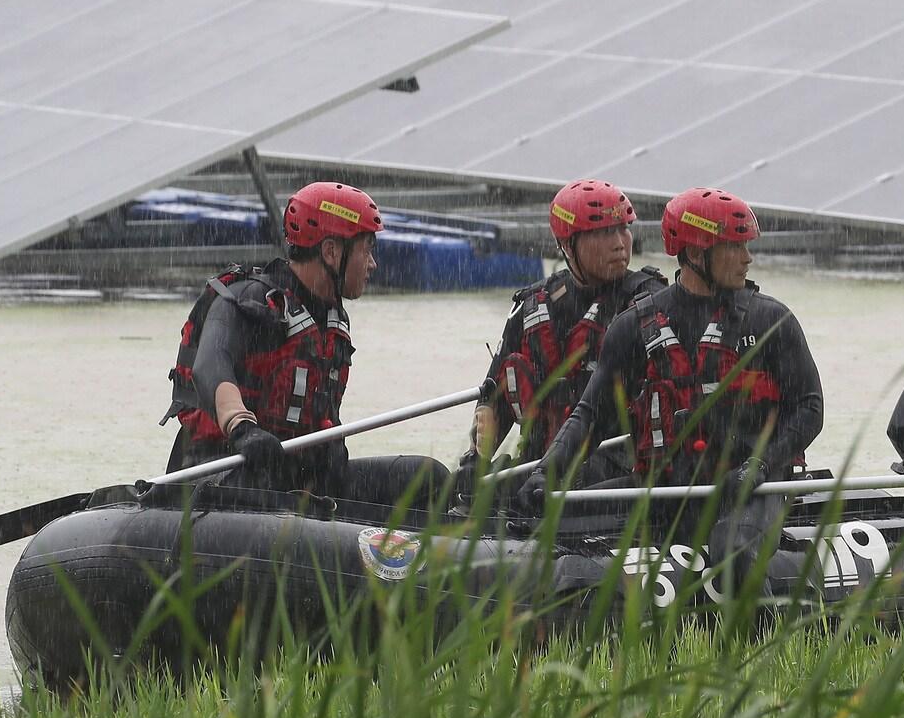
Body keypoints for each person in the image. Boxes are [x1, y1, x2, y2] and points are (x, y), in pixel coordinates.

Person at [519, 187, 824, 593]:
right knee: (542, 524)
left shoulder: (771, 320)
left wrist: (761, 466)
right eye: (734, 246)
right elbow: (589, 414)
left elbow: (810, 408)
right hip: (665, 485)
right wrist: (547, 470)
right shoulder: (633, 327)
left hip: (752, 486)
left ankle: (764, 629)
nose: (747, 258)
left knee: (732, 551)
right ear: (696, 254)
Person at [162, 181, 448, 506]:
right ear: (331, 251)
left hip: (299, 477)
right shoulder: (249, 302)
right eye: (366, 249)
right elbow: (210, 365)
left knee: (428, 477)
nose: (372, 264)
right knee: (262, 485)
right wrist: (242, 427)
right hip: (225, 472)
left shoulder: (332, 319)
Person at [454, 179, 665, 501]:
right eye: (603, 233)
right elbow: (494, 395)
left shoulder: (650, 303)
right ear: (567, 244)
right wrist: (475, 461)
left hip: (615, 468)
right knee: (463, 488)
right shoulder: (532, 306)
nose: (619, 244)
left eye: (624, 229)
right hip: (536, 466)